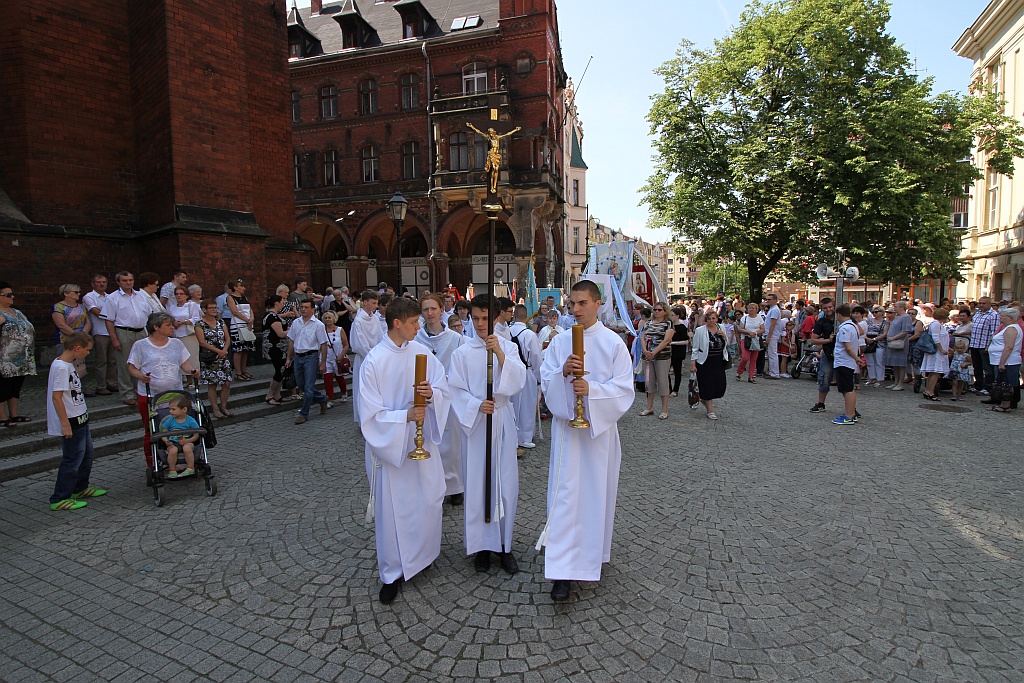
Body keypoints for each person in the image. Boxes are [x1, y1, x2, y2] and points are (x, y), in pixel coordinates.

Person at [538, 280, 634, 602]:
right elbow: (546, 378)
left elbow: (624, 390)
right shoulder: (560, 341)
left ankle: (591, 557)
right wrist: (563, 374)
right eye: (572, 304)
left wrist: (592, 391)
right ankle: (562, 571)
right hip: (568, 434)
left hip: (598, 437)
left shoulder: (613, 344)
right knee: (564, 498)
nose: (575, 310)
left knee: (595, 497)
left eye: (582, 303)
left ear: (597, 303)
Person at [357, 296, 451, 604]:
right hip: (392, 448)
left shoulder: (422, 351)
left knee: (426, 500)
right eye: (414, 322)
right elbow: (369, 415)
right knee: (394, 511)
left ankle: (423, 556)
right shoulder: (374, 361)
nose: (419, 326)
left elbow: (442, 387)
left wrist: (432, 394)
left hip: (422, 445)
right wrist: (404, 417)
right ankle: (392, 572)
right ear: (397, 323)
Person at [449, 294, 527, 575]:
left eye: (485, 318)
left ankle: (505, 546)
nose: (480, 324)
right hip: (478, 423)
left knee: (505, 483)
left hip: (502, 420)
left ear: (495, 318)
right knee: (478, 483)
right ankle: (481, 546)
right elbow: (454, 389)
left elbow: (519, 380)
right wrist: (475, 404)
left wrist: (500, 354)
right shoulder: (462, 352)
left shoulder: (507, 347)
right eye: (475, 318)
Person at [127, 312, 200, 465]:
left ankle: (182, 458)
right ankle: (152, 461)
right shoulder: (140, 345)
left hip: (175, 394)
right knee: (151, 428)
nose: (172, 328)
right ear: (156, 327)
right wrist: (140, 376)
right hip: (150, 394)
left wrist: (192, 370)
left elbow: (183, 363)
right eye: (168, 325)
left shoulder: (176, 343)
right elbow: (132, 367)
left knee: (179, 425)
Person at [415, 294, 466, 504]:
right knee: (428, 441)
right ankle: (433, 485)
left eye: (433, 309)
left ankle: (454, 487)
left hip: (449, 396)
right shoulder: (416, 338)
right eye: (425, 310)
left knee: (452, 444)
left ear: (441, 310)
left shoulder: (455, 339)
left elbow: (462, 366)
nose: (430, 314)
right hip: (425, 397)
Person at [47, 332, 106, 510]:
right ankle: (60, 497)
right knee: (72, 459)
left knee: (86, 455)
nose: (88, 353)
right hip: (71, 420)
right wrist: (65, 424)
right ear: (77, 348)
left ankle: (80, 487)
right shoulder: (61, 367)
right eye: (87, 350)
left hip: (80, 416)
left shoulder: (68, 365)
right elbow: (57, 398)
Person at [101, 271, 152, 405]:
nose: (128, 282)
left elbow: (148, 314)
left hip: (141, 331)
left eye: (130, 280)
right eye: (124, 280)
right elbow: (109, 320)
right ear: (118, 282)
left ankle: (140, 390)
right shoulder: (112, 298)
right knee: (124, 363)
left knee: (142, 362)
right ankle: (127, 393)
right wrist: (114, 339)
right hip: (123, 332)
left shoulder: (141, 296)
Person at [286, 299, 331, 425]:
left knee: (309, 386)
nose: (303, 309)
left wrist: (323, 363)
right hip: (298, 356)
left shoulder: (318, 325)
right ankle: (322, 398)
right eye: (302, 307)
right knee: (301, 384)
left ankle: (304, 413)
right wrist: (288, 357)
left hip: (311, 356)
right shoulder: (296, 323)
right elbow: (292, 340)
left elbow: (323, 344)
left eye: (306, 307)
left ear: (312, 309)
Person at [509, 304, 542, 448]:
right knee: (527, 406)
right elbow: (536, 357)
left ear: (514, 316)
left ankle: (512, 435)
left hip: (511, 371)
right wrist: (539, 377)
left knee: (513, 404)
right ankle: (525, 436)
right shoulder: (529, 334)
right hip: (527, 371)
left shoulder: (508, 331)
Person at [195, 300, 233, 418]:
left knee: (226, 383)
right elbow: (202, 342)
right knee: (212, 384)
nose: (214, 310)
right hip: (210, 358)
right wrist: (218, 351)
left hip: (223, 357)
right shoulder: (199, 324)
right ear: (204, 309)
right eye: (211, 308)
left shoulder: (220, 322)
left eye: (215, 308)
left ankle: (223, 406)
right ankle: (215, 409)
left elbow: (227, 338)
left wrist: (224, 350)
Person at [350, 290, 383, 423]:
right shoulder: (358, 321)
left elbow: (381, 337)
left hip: (376, 357)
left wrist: (380, 353)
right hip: (364, 359)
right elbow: (358, 344)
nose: (376, 306)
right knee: (362, 389)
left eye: (376, 303)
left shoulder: (375, 319)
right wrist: (371, 355)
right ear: (365, 302)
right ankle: (362, 419)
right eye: (373, 303)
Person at [691, 308, 729, 420]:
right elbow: (695, 348)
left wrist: (724, 337)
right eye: (709, 319)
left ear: (717, 319)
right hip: (705, 361)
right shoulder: (700, 330)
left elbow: (726, 344)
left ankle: (705, 400)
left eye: (713, 318)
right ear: (705, 320)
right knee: (707, 385)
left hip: (718, 360)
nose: (711, 321)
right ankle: (710, 409)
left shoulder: (721, 328)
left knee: (720, 385)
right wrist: (693, 364)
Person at [83, 275, 118, 396]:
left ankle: (111, 383)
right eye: (98, 282)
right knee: (101, 361)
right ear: (93, 284)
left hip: (112, 332)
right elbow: (96, 312)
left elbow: (118, 312)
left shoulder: (110, 297)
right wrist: (110, 313)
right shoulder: (89, 297)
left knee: (112, 361)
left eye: (104, 282)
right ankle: (101, 386)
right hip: (99, 332)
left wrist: (107, 312)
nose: (101, 284)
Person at [639, 302, 674, 419]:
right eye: (655, 310)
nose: (657, 312)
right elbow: (643, 337)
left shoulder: (668, 324)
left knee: (663, 382)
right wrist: (645, 350)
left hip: (662, 356)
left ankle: (664, 409)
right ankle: (649, 407)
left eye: (659, 310)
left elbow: (666, 340)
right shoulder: (648, 323)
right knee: (649, 382)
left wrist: (654, 352)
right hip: (647, 356)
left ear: (665, 311)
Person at [831, 303, 864, 425]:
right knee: (848, 388)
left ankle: (849, 415)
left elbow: (848, 347)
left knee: (847, 389)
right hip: (847, 361)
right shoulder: (853, 326)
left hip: (844, 361)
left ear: (839, 314)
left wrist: (856, 358)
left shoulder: (845, 328)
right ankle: (851, 413)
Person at [987, 308, 1022, 412]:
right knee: (1003, 383)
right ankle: (1004, 403)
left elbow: (1009, 347)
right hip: (1005, 360)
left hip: (1008, 361)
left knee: (1006, 384)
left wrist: (1002, 362)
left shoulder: (1011, 329)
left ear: (1010, 318)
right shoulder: (1007, 328)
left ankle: (1005, 405)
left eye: (1002, 315)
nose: (1000, 317)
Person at [159, 395, 201, 478]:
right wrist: (166, 441)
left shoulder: (191, 421)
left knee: (187, 448)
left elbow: (197, 435)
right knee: (172, 450)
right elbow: (163, 433)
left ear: (184, 410)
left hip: (187, 441)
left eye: (173, 409)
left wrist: (187, 441)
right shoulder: (170, 420)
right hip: (173, 442)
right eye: (170, 409)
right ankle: (172, 470)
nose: (170, 411)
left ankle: (190, 468)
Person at [808, 298, 837, 412]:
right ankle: (821, 403)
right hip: (828, 352)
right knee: (824, 378)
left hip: (843, 353)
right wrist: (827, 340)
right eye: (825, 308)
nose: (828, 309)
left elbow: (859, 331)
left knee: (846, 381)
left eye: (830, 307)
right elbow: (813, 340)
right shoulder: (821, 321)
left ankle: (851, 408)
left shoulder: (842, 317)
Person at [166, 286, 202, 376]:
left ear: (186, 295)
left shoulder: (191, 305)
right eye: (177, 294)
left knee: (191, 357)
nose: (179, 296)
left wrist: (184, 322)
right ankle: (184, 378)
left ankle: (194, 378)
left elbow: (196, 318)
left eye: (181, 294)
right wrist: (174, 323)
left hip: (189, 335)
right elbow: (169, 319)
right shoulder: (172, 307)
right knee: (180, 357)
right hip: (176, 335)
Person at [262, 295, 291, 405]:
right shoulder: (272, 317)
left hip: (279, 347)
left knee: (281, 370)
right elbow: (281, 333)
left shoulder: (272, 315)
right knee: (280, 371)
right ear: (276, 303)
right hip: (276, 348)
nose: (283, 304)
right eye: (282, 302)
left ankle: (277, 394)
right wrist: (291, 330)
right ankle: (270, 395)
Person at [225, 279, 255, 381]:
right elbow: (235, 311)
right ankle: (238, 372)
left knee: (245, 349)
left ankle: (244, 370)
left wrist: (251, 319)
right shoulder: (230, 298)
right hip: (238, 325)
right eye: (241, 286)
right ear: (235, 287)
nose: (243, 288)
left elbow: (250, 309)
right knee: (238, 350)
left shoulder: (244, 297)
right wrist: (247, 320)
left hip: (248, 325)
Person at [969, 296, 1000, 394]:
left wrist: (989, 346)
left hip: (984, 345)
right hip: (974, 344)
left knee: (987, 368)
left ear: (989, 304)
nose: (981, 305)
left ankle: (988, 387)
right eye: (980, 303)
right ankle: (978, 385)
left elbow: (994, 332)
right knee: (977, 367)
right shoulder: (977, 314)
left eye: (984, 303)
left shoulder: (993, 315)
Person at [920, 307, 951, 401]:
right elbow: (935, 338)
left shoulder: (938, 324)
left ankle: (928, 390)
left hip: (939, 351)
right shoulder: (936, 324)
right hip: (936, 352)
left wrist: (948, 348)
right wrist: (941, 349)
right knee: (936, 372)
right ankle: (930, 391)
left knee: (934, 372)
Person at [322, 311, 350, 404]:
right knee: (327, 379)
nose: (327, 320)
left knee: (340, 378)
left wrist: (341, 356)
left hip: (338, 358)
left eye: (329, 317)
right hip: (327, 359)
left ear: (334, 319)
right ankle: (330, 399)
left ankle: (344, 393)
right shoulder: (322, 330)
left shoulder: (339, 330)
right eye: (326, 318)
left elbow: (346, 345)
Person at [735, 303, 764, 383]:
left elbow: (762, 329)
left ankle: (751, 376)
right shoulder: (744, 318)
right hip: (746, 339)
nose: (751, 309)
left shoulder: (759, 318)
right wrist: (748, 332)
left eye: (753, 308)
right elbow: (740, 329)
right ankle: (739, 372)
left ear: (756, 309)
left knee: (754, 359)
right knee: (745, 358)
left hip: (756, 339)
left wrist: (755, 333)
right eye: (750, 308)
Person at [863, 306, 887, 387]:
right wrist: (867, 338)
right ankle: (871, 377)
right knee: (870, 362)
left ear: (882, 312)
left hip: (879, 343)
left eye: (876, 312)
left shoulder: (885, 322)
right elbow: (864, 331)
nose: (874, 314)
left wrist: (874, 339)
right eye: (873, 312)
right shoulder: (868, 321)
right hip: (868, 342)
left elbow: (884, 333)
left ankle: (879, 379)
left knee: (879, 362)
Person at [669, 307, 690, 397]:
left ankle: (675, 389)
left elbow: (686, 341)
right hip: (668, 351)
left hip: (678, 352)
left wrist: (673, 343)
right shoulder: (669, 327)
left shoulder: (681, 327)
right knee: (666, 371)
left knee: (677, 371)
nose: (670, 317)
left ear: (677, 316)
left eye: (672, 315)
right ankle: (668, 388)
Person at [763, 294, 782, 379]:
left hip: (772, 334)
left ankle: (774, 373)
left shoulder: (774, 310)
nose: (768, 301)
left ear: (775, 300)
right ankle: (772, 371)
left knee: (772, 353)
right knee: (771, 353)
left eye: (769, 299)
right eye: (767, 299)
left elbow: (773, 324)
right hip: (770, 333)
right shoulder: (772, 309)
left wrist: (769, 337)